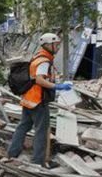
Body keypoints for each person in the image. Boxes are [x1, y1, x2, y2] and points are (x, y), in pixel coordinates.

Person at [8, 33, 72, 167]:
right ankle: (39, 161)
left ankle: (12, 153)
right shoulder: (44, 61)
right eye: (56, 44)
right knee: (41, 131)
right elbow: (39, 79)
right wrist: (57, 86)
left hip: (29, 99)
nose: (58, 47)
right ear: (49, 45)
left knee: (23, 126)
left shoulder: (38, 57)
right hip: (38, 101)